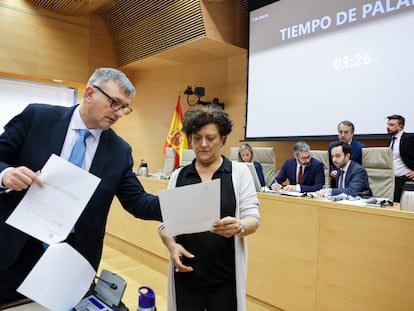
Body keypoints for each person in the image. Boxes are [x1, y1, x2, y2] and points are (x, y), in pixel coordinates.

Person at [0, 68, 162, 304]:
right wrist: (6, 174)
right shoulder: (37, 118)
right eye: (114, 103)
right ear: (89, 93)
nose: (118, 113)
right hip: (17, 247)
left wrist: (182, 205)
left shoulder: (119, 150)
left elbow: (137, 201)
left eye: (124, 107)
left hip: (73, 255)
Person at [158, 107, 260, 311]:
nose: (203, 144)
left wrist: (239, 226)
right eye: (197, 138)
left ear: (223, 139)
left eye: (210, 138)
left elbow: (254, 219)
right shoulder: (179, 176)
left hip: (225, 277)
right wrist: (171, 246)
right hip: (186, 275)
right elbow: (165, 224)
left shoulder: (238, 173)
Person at [328, 121, 366, 186]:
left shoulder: (360, 148)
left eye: (346, 132)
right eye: (340, 132)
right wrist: (333, 171)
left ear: (352, 133)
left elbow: (360, 168)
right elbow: (330, 163)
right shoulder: (332, 146)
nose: (342, 135)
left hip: (352, 182)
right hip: (336, 183)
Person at [386, 114, 414, 202]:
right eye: (388, 124)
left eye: (392, 125)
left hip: (405, 180)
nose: (388, 127)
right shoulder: (390, 140)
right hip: (392, 181)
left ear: (401, 127)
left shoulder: (409, 138)